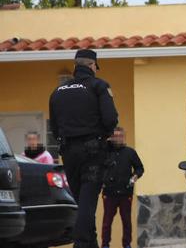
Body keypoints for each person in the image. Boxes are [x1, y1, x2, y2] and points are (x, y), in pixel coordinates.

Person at [49, 49, 118, 248]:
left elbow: (54, 126)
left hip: (69, 153)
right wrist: (102, 135)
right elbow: (111, 119)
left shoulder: (58, 92)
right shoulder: (99, 86)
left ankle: (90, 244)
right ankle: (80, 243)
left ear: (75, 66)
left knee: (83, 203)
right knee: (87, 204)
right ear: (92, 66)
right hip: (93, 151)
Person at [101, 127, 144, 248]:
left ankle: (127, 245)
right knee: (107, 222)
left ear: (124, 137)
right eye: (116, 136)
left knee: (126, 221)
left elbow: (140, 168)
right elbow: (99, 166)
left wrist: (135, 176)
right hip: (109, 192)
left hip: (126, 192)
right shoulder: (106, 152)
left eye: (121, 135)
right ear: (112, 137)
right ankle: (105, 245)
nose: (118, 138)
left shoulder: (130, 152)